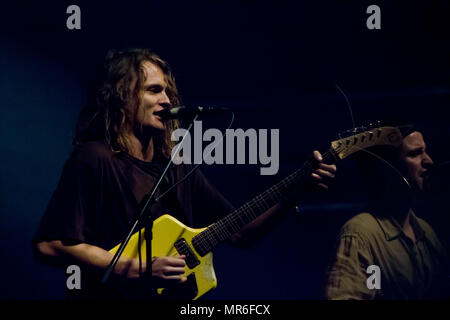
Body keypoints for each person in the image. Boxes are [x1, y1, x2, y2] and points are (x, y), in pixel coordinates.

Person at [33, 48, 337, 299]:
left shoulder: (176, 166)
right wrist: (137, 268)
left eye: (167, 91)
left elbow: (240, 233)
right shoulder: (95, 158)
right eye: (154, 90)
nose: (167, 100)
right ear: (123, 96)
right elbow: (50, 244)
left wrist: (293, 191)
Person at [324, 128, 449, 299]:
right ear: (390, 168)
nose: (428, 161)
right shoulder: (359, 234)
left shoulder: (426, 232)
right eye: (415, 154)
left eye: (425, 151)